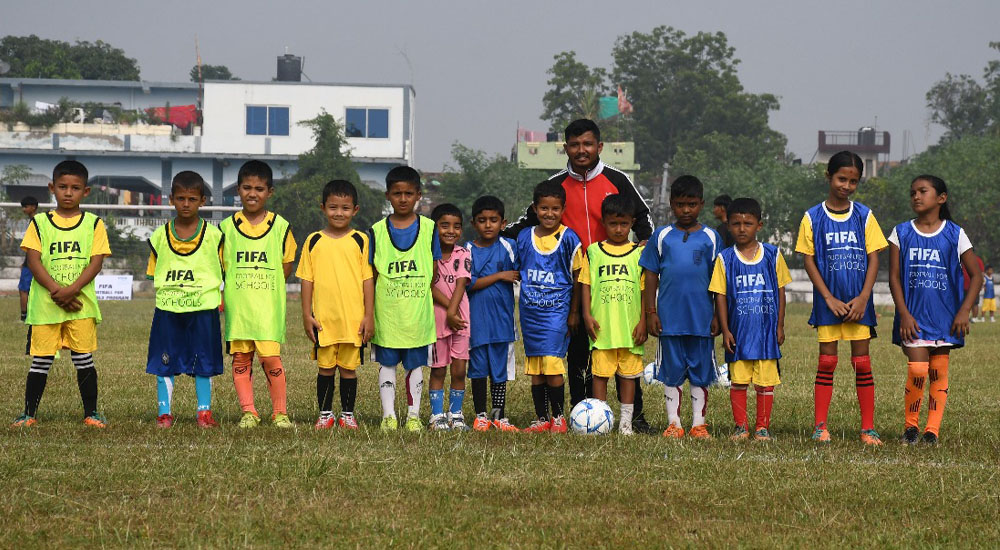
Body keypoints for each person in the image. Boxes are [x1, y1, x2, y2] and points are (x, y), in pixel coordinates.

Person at [505, 118, 654, 433]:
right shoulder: (556, 186)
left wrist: (645, 245)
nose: (581, 150)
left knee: (623, 348)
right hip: (573, 282)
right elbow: (525, 222)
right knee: (578, 354)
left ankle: (635, 419)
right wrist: (494, 241)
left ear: (599, 147)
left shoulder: (617, 179)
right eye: (574, 145)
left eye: (587, 144)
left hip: (613, 279)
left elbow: (643, 218)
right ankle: (583, 416)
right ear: (565, 148)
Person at [795, 150, 888, 445]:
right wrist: (828, 298)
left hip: (859, 304)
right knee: (827, 362)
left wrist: (863, 298)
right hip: (828, 304)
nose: (846, 186)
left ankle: (868, 429)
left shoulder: (865, 215)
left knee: (862, 362)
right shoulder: (812, 217)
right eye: (841, 179)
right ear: (828, 177)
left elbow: (874, 259)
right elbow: (809, 260)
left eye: (853, 181)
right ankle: (820, 426)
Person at [13, 160, 111, 428]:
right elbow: (34, 261)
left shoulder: (93, 224)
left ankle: (91, 413)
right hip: (46, 306)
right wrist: (57, 291)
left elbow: (96, 262)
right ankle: (28, 414)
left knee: (83, 360)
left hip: (80, 305)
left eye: (75, 188)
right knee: (41, 361)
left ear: (86, 192)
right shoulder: (40, 223)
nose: (68, 192)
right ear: (52, 188)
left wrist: (71, 291)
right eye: (63, 187)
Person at [888, 175, 981, 445]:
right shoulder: (901, 232)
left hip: (945, 318)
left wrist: (964, 311)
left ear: (941, 198)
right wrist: (904, 313)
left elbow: (976, 276)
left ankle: (932, 431)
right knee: (918, 369)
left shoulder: (955, 233)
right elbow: (894, 277)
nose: (916, 196)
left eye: (922, 191)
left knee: (938, 372)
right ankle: (910, 428)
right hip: (912, 317)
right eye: (912, 192)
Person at [641, 175, 722, 439]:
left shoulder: (712, 237)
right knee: (671, 372)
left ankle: (699, 424)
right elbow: (650, 274)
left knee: (701, 372)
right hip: (669, 321)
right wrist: (650, 312)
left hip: (702, 320)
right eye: (679, 204)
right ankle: (674, 423)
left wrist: (719, 317)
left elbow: (720, 281)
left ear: (702, 204)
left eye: (691, 204)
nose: (685, 210)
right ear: (671, 204)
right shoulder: (661, 236)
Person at [220, 160, 297, 428]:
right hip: (239, 309)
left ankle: (280, 413)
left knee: (270, 358)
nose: (253, 193)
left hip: (268, 309)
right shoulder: (226, 228)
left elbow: (286, 265)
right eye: (247, 187)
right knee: (241, 359)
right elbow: (220, 265)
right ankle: (249, 412)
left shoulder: (280, 226)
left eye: (259, 189)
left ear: (270, 192)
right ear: (238, 190)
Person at [145, 171, 224, 428]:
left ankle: (204, 413)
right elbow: (152, 271)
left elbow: (224, 268)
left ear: (202, 200)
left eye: (192, 198)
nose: (186, 204)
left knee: (204, 362)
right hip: (169, 308)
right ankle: (164, 413)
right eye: (180, 198)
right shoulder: (160, 236)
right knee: (164, 362)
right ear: (171, 200)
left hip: (203, 309)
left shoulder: (215, 236)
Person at [709, 198, 791, 441]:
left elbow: (781, 291)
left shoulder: (773, 255)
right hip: (739, 332)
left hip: (766, 332)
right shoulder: (725, 259)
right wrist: (726, 330)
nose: (741, 228)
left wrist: (779, 325)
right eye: (736, 223)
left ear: (759, 225)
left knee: (765, 384)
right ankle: (741, 427)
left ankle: (762, 427)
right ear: (729, 224)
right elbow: (720, 296)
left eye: (748, 223)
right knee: (739, 381)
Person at [297, 180, 374, 430]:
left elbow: (368, 280)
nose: (339, 213)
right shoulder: (313, 240)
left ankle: (348, 414)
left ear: (355, 210)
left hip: (353, 321)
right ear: (323, 208)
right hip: (324, 321)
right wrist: (307, 314)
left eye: (345, 208)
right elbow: (306, 279)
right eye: (333, 207)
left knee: (349, 370)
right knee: (326, 369)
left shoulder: (361, 240)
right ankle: (326, 414)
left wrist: (368, 316)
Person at [369, 166, 440, 432]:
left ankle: (413, 416)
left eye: (408, 193)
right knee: (386, 364)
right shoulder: (376, 231)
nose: (402, 198)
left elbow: (432, 272)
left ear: (418, 195)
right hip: (388, 315)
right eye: (397, 193)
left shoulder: (429, 229)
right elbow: (372, 274)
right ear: (388, 195)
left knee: (415, 365)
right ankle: (389, 416)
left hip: (417, 317)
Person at [517, 181, 583, 434]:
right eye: (544, 208)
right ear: (535, 208)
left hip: (556, 313)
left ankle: (558, 418)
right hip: (530, 313)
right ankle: (541, 418)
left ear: (562, 209)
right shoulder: (524, 237)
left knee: (553, 363)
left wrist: (574, 312)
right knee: (536, 367)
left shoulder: (569, 238)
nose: (549, 213)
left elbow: (579, 277)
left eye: (555, 209)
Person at [580, 194, 646, 435]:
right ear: (604, 223)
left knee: (629, 377)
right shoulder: (594, 251)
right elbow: (586, 284)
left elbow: (644, 289)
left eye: (624, 224)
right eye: (613, 224)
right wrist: (586, 314)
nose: (619, 229)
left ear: (632, 223)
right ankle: (602, 420)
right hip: (602, 328)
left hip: (629, 328)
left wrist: (644, 320)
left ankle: (626, 423)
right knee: (599, 375)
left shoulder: (638, 253)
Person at [465, 196, 520, 432]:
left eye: (493, 220)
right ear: (473, 223)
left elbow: (521, 273)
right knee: (478, 370)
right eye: (482, 220)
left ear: (503, 222)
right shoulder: (466, 250)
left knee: (499, 372)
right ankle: (480, 416)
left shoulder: (509, 247)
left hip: (502, 324)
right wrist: (499, 276)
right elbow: (467, 283)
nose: (488, 225)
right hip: (476, 324)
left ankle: (499, 417)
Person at [428, 203, 472, 431]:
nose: (450, 231)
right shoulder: (428, 254)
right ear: (433, 228)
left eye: (456, 226)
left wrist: (454, 313)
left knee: (459, 369)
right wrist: (449, 312)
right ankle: (436, 416)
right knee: (438, 369)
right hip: (437, 322)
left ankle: (456, 414)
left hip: (461, 320)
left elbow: (462, 284)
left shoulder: (463, 253)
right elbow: (429, 286)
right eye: (444, 225)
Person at [18, 195, 39, 322]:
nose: (23, 209)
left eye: (25, 207)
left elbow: (33, 246)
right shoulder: (36, 221)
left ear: (33, 207)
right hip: (32, 262)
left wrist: (28, 262)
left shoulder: (35, 222)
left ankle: (24, 316)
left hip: (32, 263)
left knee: (23, 289)